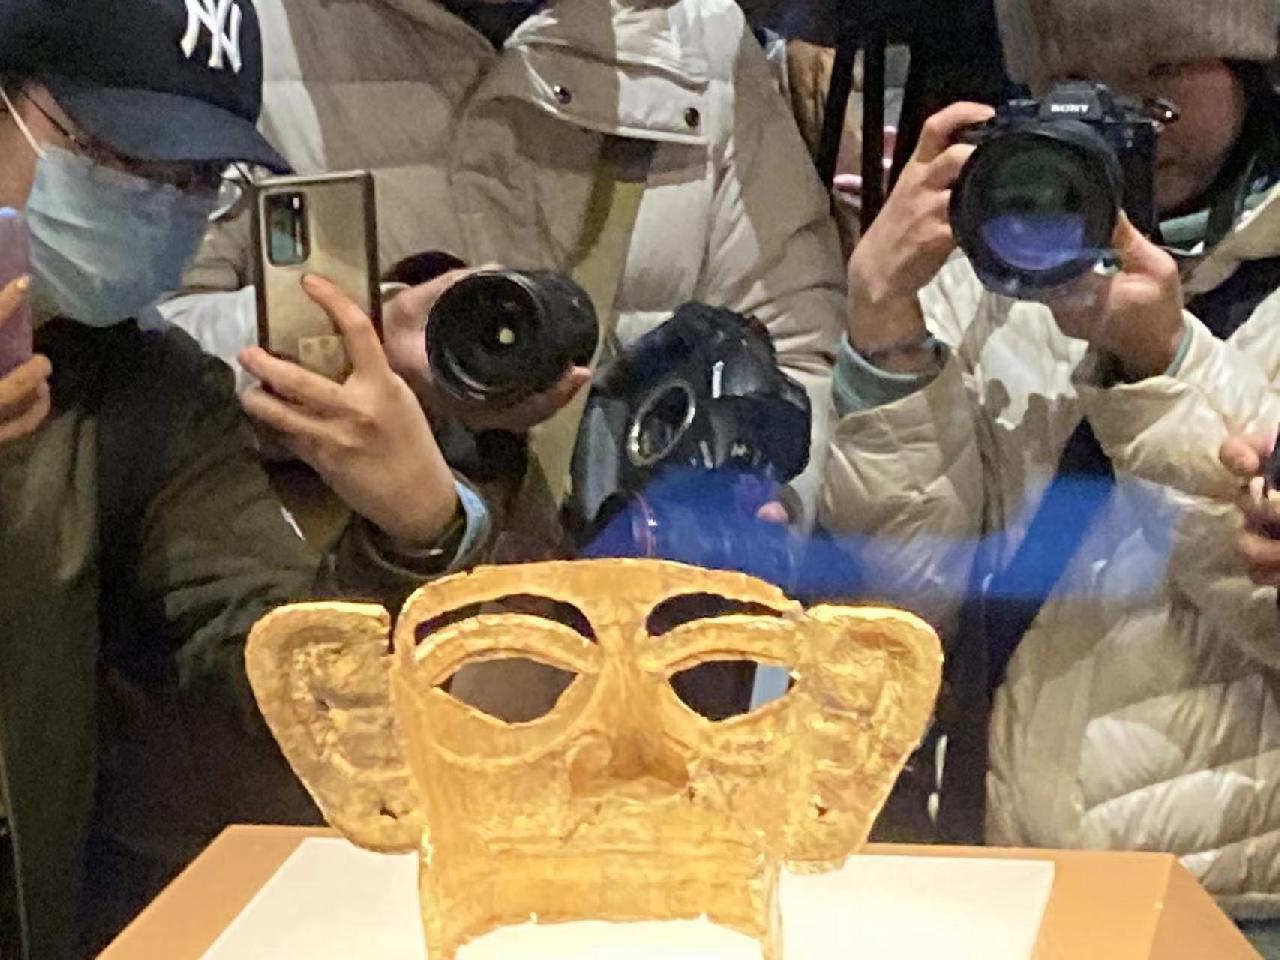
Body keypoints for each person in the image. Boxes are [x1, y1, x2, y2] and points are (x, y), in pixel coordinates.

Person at [159, 0, 847, 718]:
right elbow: (138, 343)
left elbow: (793, 345)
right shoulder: (233, 22)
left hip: (638, 678)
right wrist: (359, 343)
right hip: (340, 646)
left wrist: (736, 517)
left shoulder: (700, 36)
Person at [0, 1, 489, 956]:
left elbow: (280, 725)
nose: (158, 202)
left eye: (195, 179)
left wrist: (416, 534)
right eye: (117, 155)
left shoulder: (149, 390)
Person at [819, 0, 1280, 944]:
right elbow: (900, 617)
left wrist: (1162, 365)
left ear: (1253, 71)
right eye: (1083, 82)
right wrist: (884, 329)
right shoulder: (988, 276)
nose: (1128, 114)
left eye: (1165, 71)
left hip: (1234, 903)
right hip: (1001, 881)